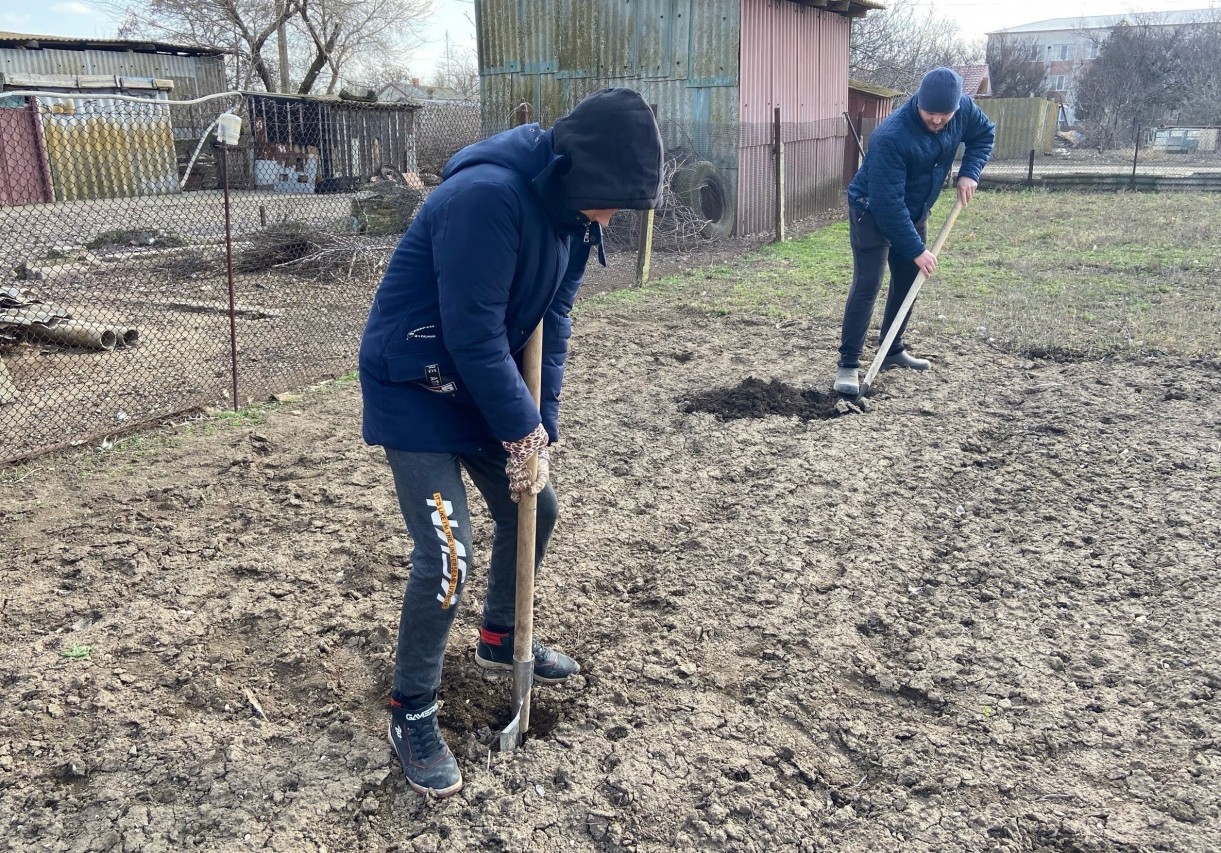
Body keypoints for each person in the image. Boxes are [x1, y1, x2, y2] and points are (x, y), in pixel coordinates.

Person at [358, 88, 663, 797]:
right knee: (448, 551)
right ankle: (413, 708)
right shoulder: (486, 199)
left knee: (538, 507)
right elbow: (470, 333)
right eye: (609, 198)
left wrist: (539, 427)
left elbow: (549, 327)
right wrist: (518, 425)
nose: (611, 216)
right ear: (575, 169)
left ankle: (499, 636)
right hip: (417, 388)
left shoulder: (571, 216)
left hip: (482, 387)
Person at [833, 66, 995, 396]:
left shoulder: (963, 110)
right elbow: (888, 205)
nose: (937, 121)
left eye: (944, 115)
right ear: (918, 101)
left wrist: (970, 172)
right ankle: (848, 364)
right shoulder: (891, 136)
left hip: (916, 208)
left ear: (956, 107)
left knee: (909, 280)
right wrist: (918, 251)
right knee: (868, 283)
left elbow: (983, 135)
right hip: (871, 208)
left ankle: (892, 350)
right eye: (930, 113)